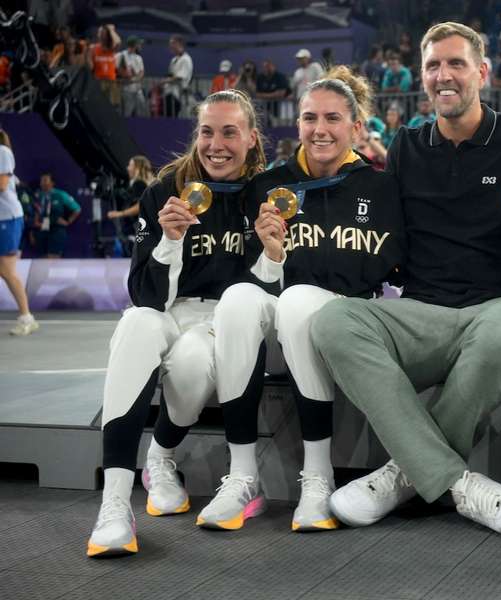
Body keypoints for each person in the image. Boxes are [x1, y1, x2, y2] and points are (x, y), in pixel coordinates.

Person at [309, 22, 501, 538]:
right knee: (332, 319)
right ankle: (458, 484)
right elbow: (386, 237)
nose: (444, 75)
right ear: (422, 75)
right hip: (422, 312)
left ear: (482, 72)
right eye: (434, 65)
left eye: (456, 63)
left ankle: (404, 475)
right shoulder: (408, 144)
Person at [203, 67, 405, 532]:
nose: (319, 129)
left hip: (350, 326)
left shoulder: (381, 188)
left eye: (333, 118)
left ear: (356, 128)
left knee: (297, 301)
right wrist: (272, 257)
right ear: (297, 125)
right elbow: (255, 279)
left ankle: (318, 475)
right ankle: (241, 475)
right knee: (237, 299)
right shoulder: (267, 188)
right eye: (309, 118)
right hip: (284, 327)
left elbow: (398, 269)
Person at [86, 89, 266, 557]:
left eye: (230, 132)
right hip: (169, 309)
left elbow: (263, 292)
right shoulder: (164, 192)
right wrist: (169, 241)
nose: (216, 144)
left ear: (251, 138)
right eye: (207, 131)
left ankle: (160, 457)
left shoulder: (267, 196)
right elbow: (146, 297)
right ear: (196, 135)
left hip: (226, 321)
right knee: (136, 325)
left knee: (189, 362)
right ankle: (113, 507)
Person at [0, 129, 38, 336]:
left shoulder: (3, 152)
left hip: (7, 218)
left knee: (7, 270)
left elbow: (2, 184)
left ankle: (26, 317)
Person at [107, 155, 154, 255]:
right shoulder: (141, 184)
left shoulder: (139, 184)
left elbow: (140, 206)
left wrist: (119, 214)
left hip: (138, 229)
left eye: (130, 165)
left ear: (137, 168)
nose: (127, 168)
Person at [33, 173, 80, 258]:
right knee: (42, 258)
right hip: (42, 229)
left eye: (45, 180)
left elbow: (77, 209)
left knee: (53, 258)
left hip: (56, 229)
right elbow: (37, 210)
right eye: (41, 181)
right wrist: (36, 222)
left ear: (52, 183)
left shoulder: (60, 195)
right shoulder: (38, 195)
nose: (42, 183)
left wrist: (68, 221)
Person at [88, 24, 121, 107]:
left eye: (105, 33)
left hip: (111, 81)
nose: (102, 34)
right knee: (97, 106)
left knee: (112, 107)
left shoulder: (111, 48)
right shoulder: (93, 48)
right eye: (101, 32)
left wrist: (111, 30)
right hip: (98, 81)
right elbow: (90, 67)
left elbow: (118, 42)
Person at [162, 35, 192, 117]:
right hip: (169, 93)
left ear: (179, 44)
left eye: (172, 43)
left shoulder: (186, 59)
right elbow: (171, 74)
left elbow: (180, 77)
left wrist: (164, 81)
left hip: (178, 94)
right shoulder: (174, 60)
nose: (170, 46)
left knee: (175, 117)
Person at [117, 36, 146, 117]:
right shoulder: (121, 55)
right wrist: (125, 75)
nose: (140, 46)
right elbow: (117, 69)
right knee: (127, 111)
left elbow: (142, 72)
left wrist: (136, 79)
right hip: (126, 89)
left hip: (137, 88)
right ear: (134, 45)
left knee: (142, 108)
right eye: (139, 44)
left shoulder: (139, 58)